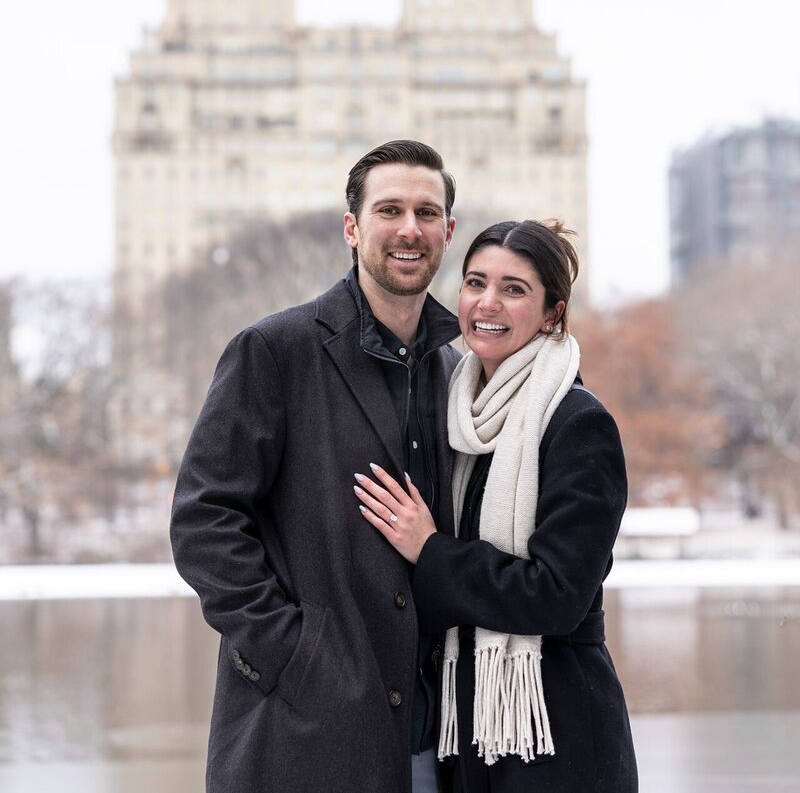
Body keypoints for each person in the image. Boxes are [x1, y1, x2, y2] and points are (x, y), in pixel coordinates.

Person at [170, 140, 461, 793]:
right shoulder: (274, 351)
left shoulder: (457, 372)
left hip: (434, 745)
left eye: (426, 211)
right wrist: (296, 655)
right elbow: (203, 521)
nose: (409, 228)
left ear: (448, 231)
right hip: (306, 733)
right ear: (353, 228)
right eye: (390, 209)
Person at [355, 219, 638, 791]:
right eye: (475, 282)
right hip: (472, 733)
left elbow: (557, 596)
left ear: (553, 313)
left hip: (556, 733)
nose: (488, 302)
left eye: (514, 289)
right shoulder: (459, 417)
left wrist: (429, 549)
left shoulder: (578, 424)